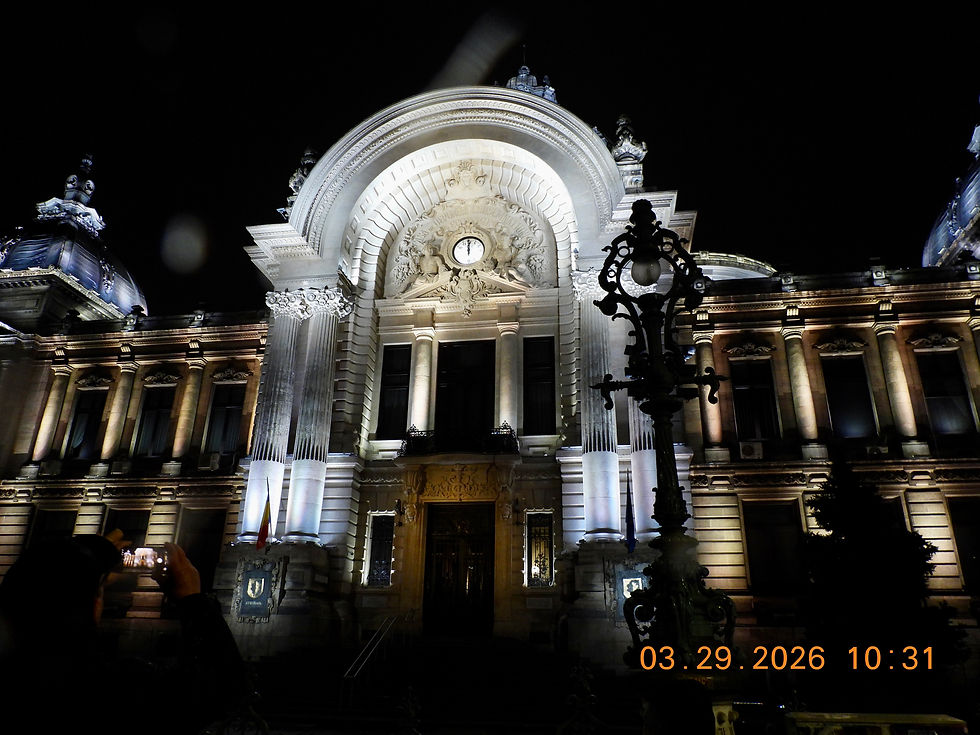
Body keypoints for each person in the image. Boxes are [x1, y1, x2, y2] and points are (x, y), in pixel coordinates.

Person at [0, 531, 255, 733]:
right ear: (91, 606)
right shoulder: (109, 693)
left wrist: (80, 561)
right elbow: (222, 688)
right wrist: (193, 601)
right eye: (99, 591)